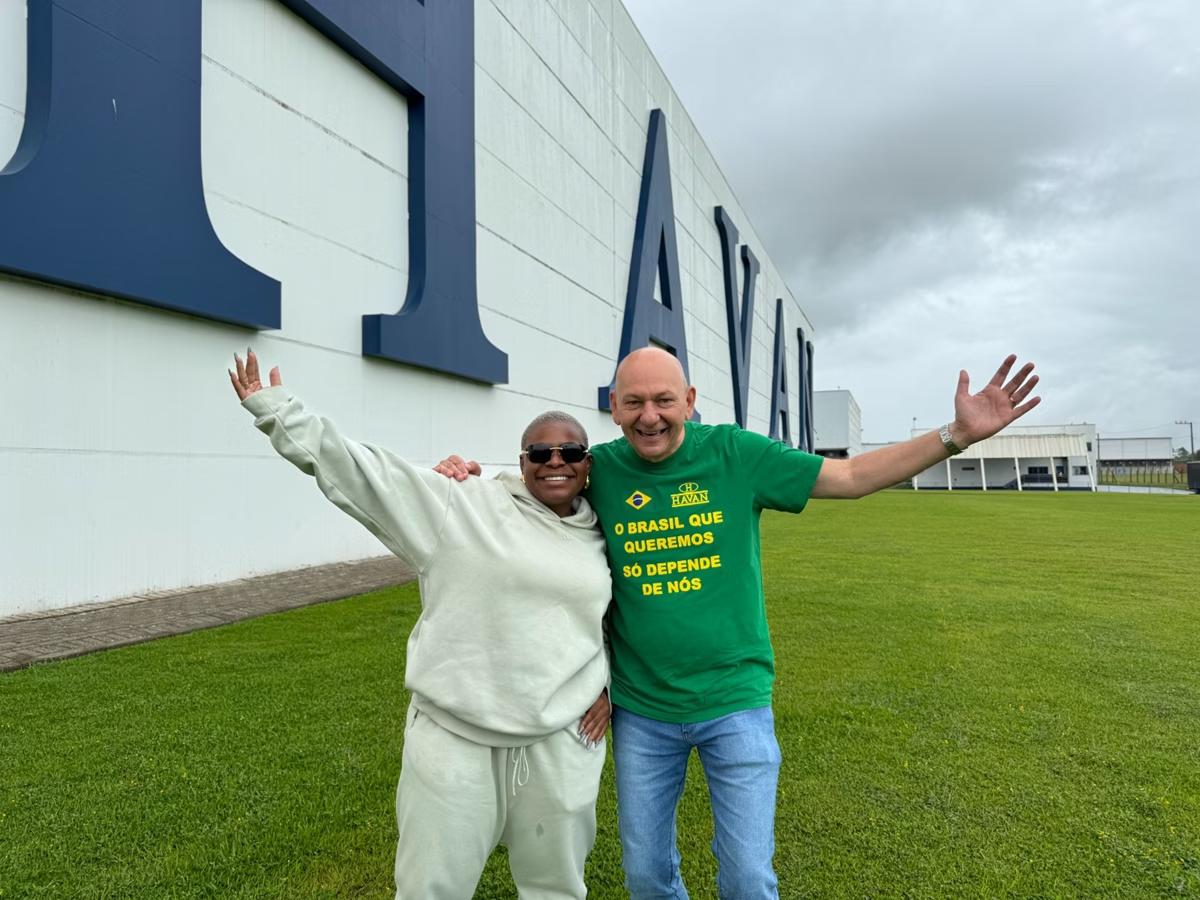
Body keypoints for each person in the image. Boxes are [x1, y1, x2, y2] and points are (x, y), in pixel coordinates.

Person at [435, 346, 1041, 899]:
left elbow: (850, 478)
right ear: (615, 409)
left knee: (748, 878)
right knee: (646, 875)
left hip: (736, 703)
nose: (651, 416)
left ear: (690, 402)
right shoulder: (602, 470)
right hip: (644, 712)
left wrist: (955, 435)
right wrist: (467, 477)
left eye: (664, 400)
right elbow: (540, 480)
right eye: (636, 402)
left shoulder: (736, 455)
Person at [228, 349, 614, 900]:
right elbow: (366, 473)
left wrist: (611, 683)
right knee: (431, 888)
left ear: (589, 462)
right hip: (454, 735)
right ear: (521, 460)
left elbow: (621, 615)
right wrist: (278, 411)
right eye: (540, 452)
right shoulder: (462, 503)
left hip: (561, 738)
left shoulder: (602, 532)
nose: (557, 461)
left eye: (571, 450)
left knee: (556, 887)